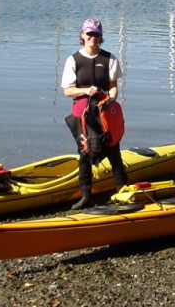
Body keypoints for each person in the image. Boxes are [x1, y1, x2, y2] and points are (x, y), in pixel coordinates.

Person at [61, 18, 128, 210]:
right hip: (81, 115)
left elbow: (114, 88)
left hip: (104, 113)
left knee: (114, 149)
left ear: (101, 37)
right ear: (82, 35)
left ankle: (123, 190)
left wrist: (110, 100)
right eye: (89, 34)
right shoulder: (73, 60)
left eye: (96, 34)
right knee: (84, 153)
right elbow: (67, 91)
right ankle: (86, 196)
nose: (93, 37)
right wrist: (85, 91)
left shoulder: (110, 59)